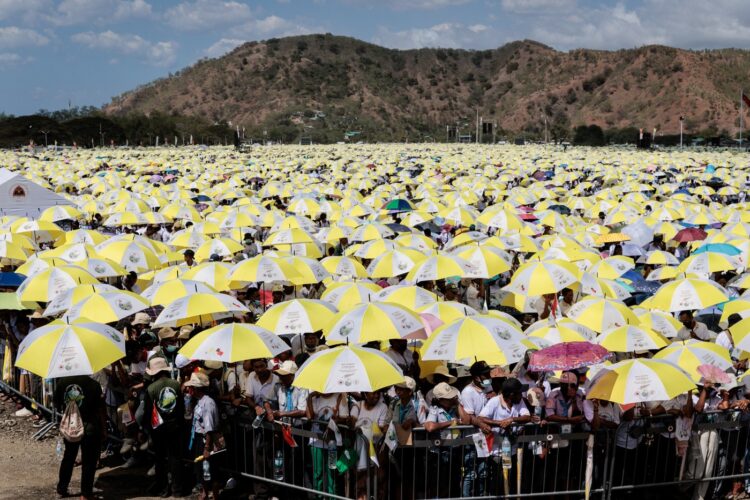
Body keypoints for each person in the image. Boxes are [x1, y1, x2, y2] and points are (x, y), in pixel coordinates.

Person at [55, 374, 106, 500]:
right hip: (90, 428)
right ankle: (86, 494)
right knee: (89, 461)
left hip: (71, 427)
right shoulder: (93, 384)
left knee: (69, 457)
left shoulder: (62, 382)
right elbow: (100, 408)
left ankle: (62, 487)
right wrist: (104, 428)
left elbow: (57, 403)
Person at [143, 356, 185, 497]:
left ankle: (163, 489)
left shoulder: (151, 389)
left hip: (158, 429)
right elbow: (181, 408)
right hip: (175, 427)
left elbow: (148, 412)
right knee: (175, 459)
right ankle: (177, 490)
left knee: (160, 460)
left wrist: (146, 429)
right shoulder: (176, 385)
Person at [185, 371, 222, 500]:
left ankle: (216, 495)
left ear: (196, 388)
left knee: (212, 471)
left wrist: (207, 447)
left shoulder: (208, 403)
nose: (189, 389)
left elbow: (209, 428)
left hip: (208, 441)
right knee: (202, 470)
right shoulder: (198, 401)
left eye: (191, 387)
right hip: (200, 440)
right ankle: (205, 493)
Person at [306, 390, 350, 497]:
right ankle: (318, 497)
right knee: (317, 474)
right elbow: (309, 417)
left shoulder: (340, 396)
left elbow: (345, 418)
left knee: (332, 475)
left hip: (332, 443)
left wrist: (335, 420)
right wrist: (310, 397)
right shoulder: (314, 398)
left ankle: (332, 497)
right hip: (316, 442)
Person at [460, 361, 493, 497]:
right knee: (470, 474)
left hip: (484, 438)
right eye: (485, 375)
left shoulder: (487, 388)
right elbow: (469, 416)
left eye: (488, 374)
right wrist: (481, 424)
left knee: (483, 471)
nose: (488, 377)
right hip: (472, 438)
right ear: (476, 377)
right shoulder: (468, 392)